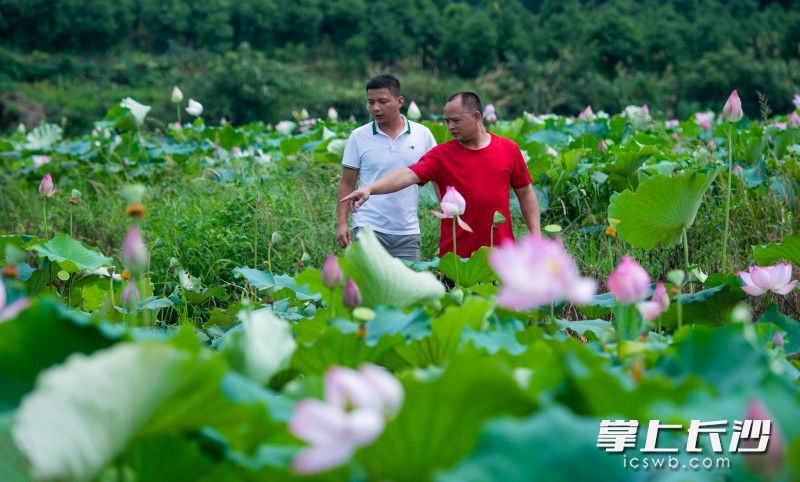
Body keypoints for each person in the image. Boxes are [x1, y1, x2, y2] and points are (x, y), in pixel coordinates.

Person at [341, 92, 541, 258]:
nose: (450, 127)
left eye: (456, 120)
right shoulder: (441, 155)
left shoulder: (508, 148)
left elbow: (525, 194)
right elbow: (407, 175)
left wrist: (536, 237)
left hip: (502, 255)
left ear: (477, 117)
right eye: (447, 121)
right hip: (456, 258)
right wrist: (370, 189)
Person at [336, 74, 437, 261]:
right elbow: (347, 184)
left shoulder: (423, 134)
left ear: (400, 101)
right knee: (367, 279)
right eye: (371, 102)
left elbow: (438, 176)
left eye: (382, 102)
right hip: (367, 226)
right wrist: (342, 223)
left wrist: (447, 212)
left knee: (406, 280)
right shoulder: (358, 136)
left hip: (407, 229)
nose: (375, 108)